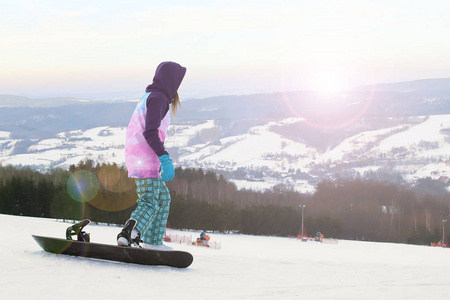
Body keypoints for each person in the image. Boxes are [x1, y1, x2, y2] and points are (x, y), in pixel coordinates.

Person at [117, 61, 186, 250]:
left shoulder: (151, 96)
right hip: (144, 159)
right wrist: (164, 157)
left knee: (163, 198)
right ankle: (129, 232)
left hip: (142, 157)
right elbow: (150, 132)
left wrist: (159, 158)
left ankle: (153, 242)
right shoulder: (159, 98)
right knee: (149, 201)